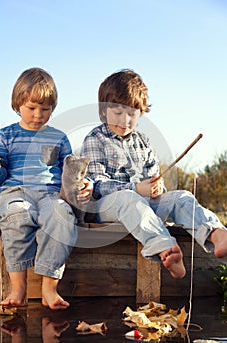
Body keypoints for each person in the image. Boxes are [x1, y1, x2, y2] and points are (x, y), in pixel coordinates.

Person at [80, 68, 227, 279]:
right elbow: (97, 185)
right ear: (104, 111)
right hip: (107, 208)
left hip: (143, 208)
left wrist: (157, 188)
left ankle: (216, 233)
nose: (125, 120)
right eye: (118, 112)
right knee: (128, 197)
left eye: (132, 113)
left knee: (181, 197)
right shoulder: (96, 139)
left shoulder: (143, 142)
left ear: (141, 113)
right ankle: (166, 248)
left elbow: (154, 180)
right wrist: (137, 188)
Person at [0, 67, 93, 309]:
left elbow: (70, 172)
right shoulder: (5, 136)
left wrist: (84, 183)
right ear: (18, 103)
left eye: (45, 109)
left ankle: (49, 288)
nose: (38, 115)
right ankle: (18, 288)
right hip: (16, 192)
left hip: (50, 195)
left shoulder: (59, 137)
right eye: (31, 108)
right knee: (17, 214)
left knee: (62, 216)